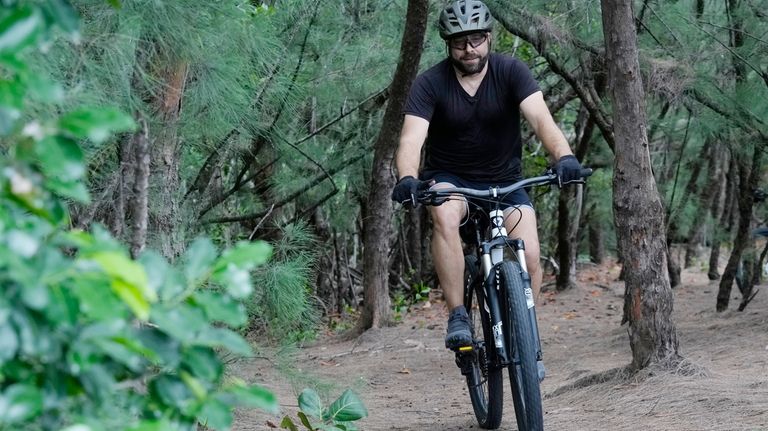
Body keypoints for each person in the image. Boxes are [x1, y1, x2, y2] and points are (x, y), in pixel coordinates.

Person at [391, 0, 583, 351]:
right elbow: (411, 139)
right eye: (460, 42)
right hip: (452, 181)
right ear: (448, 44)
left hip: (505, 184)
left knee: (531, 255)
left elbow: (542, 120)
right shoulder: (430, 83)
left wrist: (565, 156)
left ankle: (526, 338)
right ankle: (459, 315)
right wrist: (407, 177)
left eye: (477, 39)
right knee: (445, 215)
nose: (470, 49)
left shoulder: (512, 72)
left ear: (489, 37)